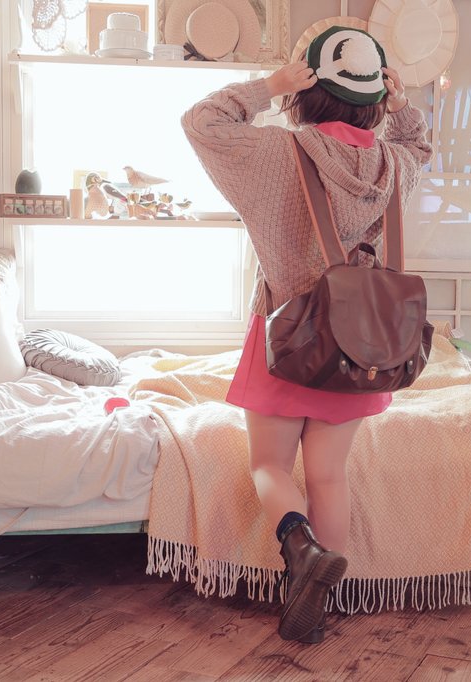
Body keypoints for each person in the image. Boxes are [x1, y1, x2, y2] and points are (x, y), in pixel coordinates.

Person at [182, 26, 432, 644]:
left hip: (287, 335)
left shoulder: (276, 152)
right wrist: (398, 105)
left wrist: (270, 85)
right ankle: (320, 603)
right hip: (361, 345)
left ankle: (300, 546)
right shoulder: (394, 164)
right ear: (374, 95)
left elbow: (201, 121)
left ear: (308, 89)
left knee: (269, 463)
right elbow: (417, 140)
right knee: (328, 475)